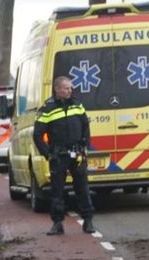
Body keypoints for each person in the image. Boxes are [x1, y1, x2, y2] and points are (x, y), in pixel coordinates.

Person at [34, 76, 95, 236]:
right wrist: (47, 154)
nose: (70, 90)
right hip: (58, 155)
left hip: (77, 154)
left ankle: (88, 221)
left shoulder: (77, 105)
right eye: (66, 88)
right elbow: (37, 134)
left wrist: (85, 146)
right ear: (57, 89)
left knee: (82, 188)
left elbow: (85, 126)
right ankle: (57, 223)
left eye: (70, 88)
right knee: (57, 191)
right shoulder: (48, 108)